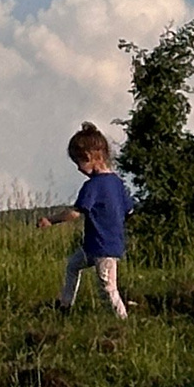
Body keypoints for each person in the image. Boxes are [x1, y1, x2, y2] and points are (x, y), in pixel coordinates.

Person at [51, 119, 132, 321]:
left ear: (89, 157)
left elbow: (75, 213)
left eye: (79, 162)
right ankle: (65, 304)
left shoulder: (93, 186)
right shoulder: (117, 183)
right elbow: (128, 210)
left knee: (107, 287)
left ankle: (122, 321)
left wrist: (51, 220)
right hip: (96, 246)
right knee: (72, 265)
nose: (78, 168)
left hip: (102, 247)